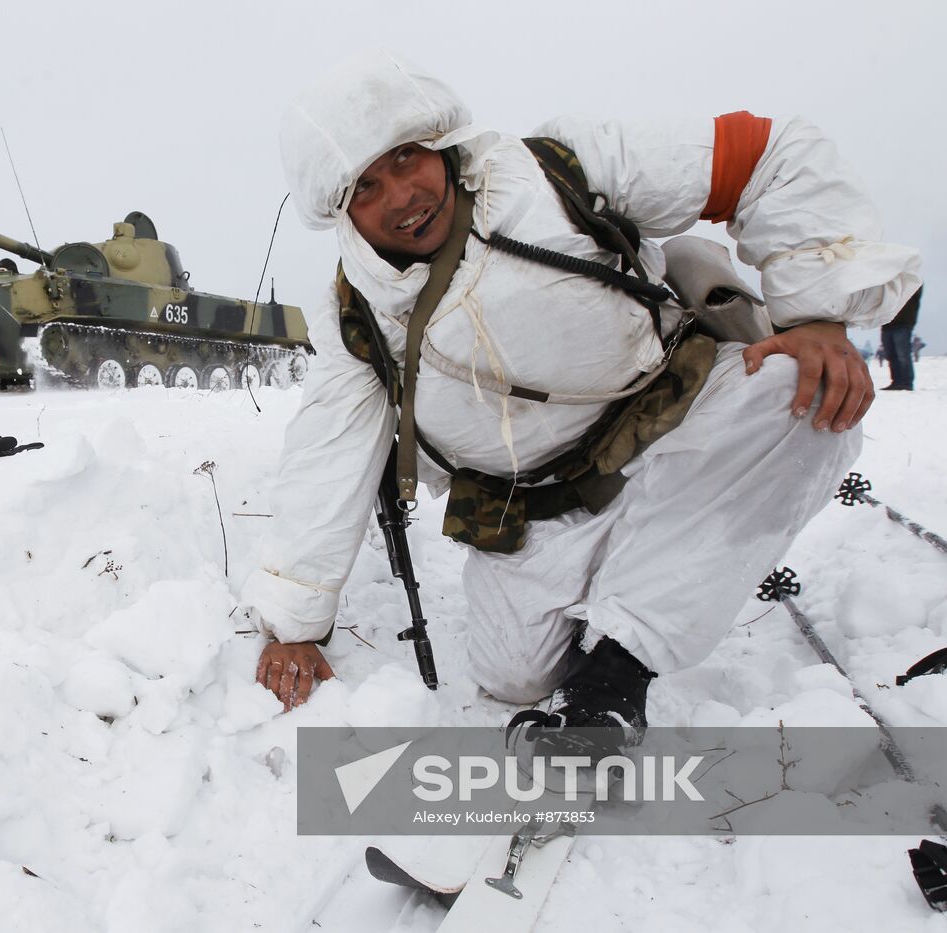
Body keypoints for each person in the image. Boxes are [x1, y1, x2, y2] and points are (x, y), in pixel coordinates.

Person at [243, 52, 921, 747]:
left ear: (439, 141)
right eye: (364, 186)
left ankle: (618, 673)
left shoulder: (561, 169)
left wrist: (817, 315)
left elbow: (766, 156)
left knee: (803, 396)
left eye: (406, 156)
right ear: (340, 209)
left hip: (681, 423)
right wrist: (295, 622)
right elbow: (327, 451)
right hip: (541, 503)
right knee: (515, 677)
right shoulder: (354, 313)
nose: (400, 195)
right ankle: (650, 564)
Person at [880, 286, 922, 390]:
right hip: (887, 324)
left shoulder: (913, 282)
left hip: (903, 324)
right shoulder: (888, 282)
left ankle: (906, 383)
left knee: (903, 355)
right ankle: (896, 382)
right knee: (891, 355)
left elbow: (915, 290)